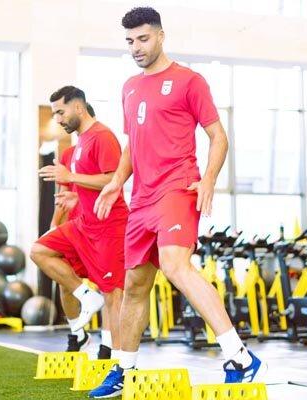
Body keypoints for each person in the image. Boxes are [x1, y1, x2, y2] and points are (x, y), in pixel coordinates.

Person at [89, 7, 265, 398]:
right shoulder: (129, 87)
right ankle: (124, 369)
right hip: (142, 199)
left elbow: (218, 137)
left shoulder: (189, 81)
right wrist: (116, 182)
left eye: (143, 38)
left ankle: (239, 357)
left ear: (160, 36)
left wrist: (209, 179)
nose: (136, 47)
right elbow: (132, 144)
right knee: (134, 285)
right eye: (130, 41)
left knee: (174, 265)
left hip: (177, 187)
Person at [32, 86, 128, 361]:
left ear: (78, 107)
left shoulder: (102, 136)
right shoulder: (81, 142)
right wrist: (76, 195)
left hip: (109, 226)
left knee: (113, 294)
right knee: (39, 250)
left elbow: (113, 180)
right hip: (84, 224)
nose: (57, 119)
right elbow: (90, 183)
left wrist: (71, 178)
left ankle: (116, 359)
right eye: (54, 113)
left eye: (60, 112)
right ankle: (86, 297)